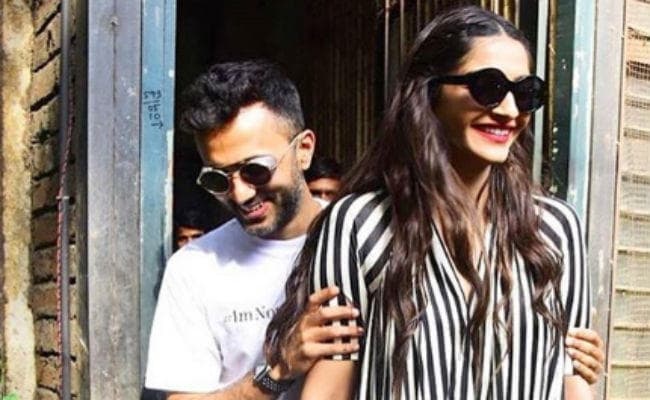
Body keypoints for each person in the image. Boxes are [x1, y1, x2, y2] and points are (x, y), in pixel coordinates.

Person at [266, 6, 602, 399]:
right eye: (488, 87)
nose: (510, 111)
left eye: (525, 93)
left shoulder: (556, 230)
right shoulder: (359, 225)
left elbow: (573, 379)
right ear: (430, 92)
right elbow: (330, 387)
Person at [145, 60, 363, 399]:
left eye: (256, 170)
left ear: (303, 150)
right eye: (218, 179)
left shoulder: (362, 238)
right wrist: (277, 371)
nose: (240, 194)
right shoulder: (193, 268)